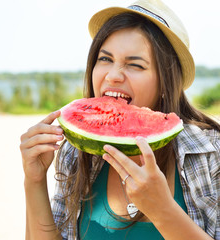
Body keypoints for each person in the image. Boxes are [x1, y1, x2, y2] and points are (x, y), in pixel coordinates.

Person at [20, 0, 220, 239]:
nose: (113, 76)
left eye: (135, 64)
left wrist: (163, 210)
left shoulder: (211, 152)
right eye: (105, 59)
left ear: (167, 82)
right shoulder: (75, 154)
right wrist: (34, 180)